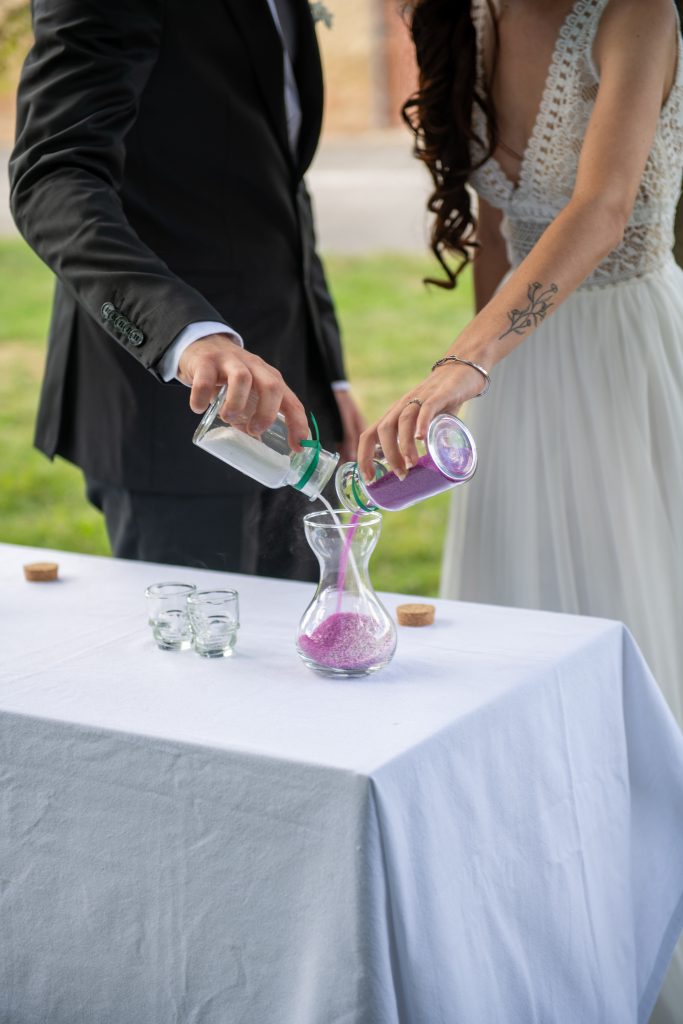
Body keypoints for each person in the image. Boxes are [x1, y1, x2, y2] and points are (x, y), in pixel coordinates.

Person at [358, 1, 683, 1018]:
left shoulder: (637, 11)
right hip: (516, 390)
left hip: (628, 367)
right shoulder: (464, 21)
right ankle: (544, 937)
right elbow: (499, 233)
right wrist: (459, 412)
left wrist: (465, 359)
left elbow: (599, 206)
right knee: (513, 670)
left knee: (640, 653)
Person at [9, 0, 364, 580]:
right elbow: (55, 175)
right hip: (173, 412)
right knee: (201, 655)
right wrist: (185, 335)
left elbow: (277, 187)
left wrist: (330, 370)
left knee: (305, 646)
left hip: (292, 391)